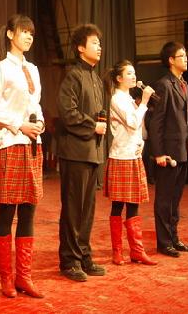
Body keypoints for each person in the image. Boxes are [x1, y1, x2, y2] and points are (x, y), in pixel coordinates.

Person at [0, 15, 44, 298]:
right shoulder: (1, 69)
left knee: (28, 210)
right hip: (10, 143)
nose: (29, 37)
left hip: (32, 143)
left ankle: (24, 276)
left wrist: (39, 122)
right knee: (7, 211)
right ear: (10, 34)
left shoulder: (33, 69)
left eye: (31, 33)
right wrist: (19, 125)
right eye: (24, 32)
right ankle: (6, 279)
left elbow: (36, 104)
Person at [56, 23, 106, 282]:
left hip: (92, 152)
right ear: (80, 48)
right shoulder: (73, 76)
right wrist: (92, 126)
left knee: (87, 210)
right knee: (73, 209)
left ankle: (84, 255)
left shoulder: (96, 79)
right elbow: (68, 113)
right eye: (94, 43)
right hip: (75, 152)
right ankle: (69, 260)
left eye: (99, 43)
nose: (99, 47)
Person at [104, 60, 157, 266]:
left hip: (133, 156)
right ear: (119, 78)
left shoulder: (127, 98)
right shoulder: (117, 98)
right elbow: (133, 122)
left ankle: (137, 251)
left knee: (134, 205)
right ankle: (117, 251)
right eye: (129, 73)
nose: (134, 76)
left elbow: (135, 129)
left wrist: (140, 143)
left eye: (134, 73)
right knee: (118, 205)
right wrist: (144, 101)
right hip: (120, 157)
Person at [147, 42, 188, 257]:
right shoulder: (164, 85)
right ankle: (164, 242)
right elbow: (156, 122)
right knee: (165, 200)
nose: (186, 58)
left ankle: (174, 238)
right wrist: (158, 153)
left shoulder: (184, 85)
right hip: (167, 153)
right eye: (181, 56)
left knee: (176, 200)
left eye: (185, 55)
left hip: (182, 151)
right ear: (171, 60)